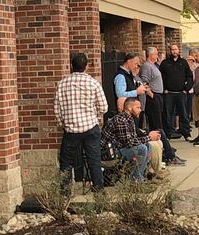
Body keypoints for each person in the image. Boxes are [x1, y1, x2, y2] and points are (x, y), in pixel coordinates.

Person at [54, 52, 107, 191]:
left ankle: (64, 192)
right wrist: (94, 115)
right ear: (86, 66)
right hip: (90, 126)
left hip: (71, 130)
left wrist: (63, 123)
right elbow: (104, 107)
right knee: (94, 160)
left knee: (66, 162)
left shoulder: (62, 83)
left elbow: (57, 109)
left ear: (72, 66)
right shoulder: (93, 82)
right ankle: (98, 191)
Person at [139, 48, 185, 166]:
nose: (157, 55)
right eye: (156, 53)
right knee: (158, 126)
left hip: (158, 96)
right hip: (153, 97)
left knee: (161, 124)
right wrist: (152, 95)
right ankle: (168, 154)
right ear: (151, 55)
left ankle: (166, 151)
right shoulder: (147, 66)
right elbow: (144, 82)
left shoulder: (155, 66)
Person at [102, 95, 156, 182]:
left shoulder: (129, 119)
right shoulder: (120, 120)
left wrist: (148, 139)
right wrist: (149, 137)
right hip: (110, 152)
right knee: (142, 149)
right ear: (130, 108)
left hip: (120, 148)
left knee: (147, 145)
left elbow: (133, 140)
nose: (140, 110)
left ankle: (141, 176)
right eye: (138, 107)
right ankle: (135, 180)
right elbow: (129, 143)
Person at [159, 42, 193, 140]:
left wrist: (186, 89)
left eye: (176, 49)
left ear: (179, 51)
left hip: (181, 93)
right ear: (170, 51)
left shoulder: (183, 62)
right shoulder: (165, 63)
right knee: (168, 115)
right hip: (169, 93)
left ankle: (186, 134)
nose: (174, 51)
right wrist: (164, 88)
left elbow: (189, 76)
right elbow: (161, 77)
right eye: (172, 49)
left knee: (184, 114)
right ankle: (169, 134)